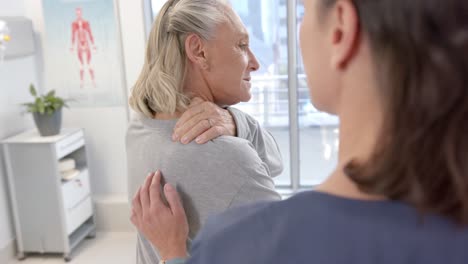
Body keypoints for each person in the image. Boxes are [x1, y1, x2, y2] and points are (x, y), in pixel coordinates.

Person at [131, 0, 468, 263]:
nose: (256, 62)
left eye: (304, 11)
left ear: (340, 30)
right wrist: (235, 122)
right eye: (241, 45)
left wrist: (172, 256)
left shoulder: (248, 241)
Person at [126, 0, 283, 263]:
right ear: (199, 51)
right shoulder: (228, 157)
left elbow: (274, 162)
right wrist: (174, 255)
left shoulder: (139, 127)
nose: (255, 63)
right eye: (242, 45)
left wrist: (235, 122)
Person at [70, 7, 97, 88]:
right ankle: (82, 82)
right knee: (81, 65)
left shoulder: (86, 22)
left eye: (79, 12)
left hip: (87, 45)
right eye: (77, 13)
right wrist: (72, 46)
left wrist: (93, 45)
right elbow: (73, 35)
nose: (78, 14)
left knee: (89, 64)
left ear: (81, 13)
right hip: (79, 46)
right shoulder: (74, 24)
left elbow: (90, 33)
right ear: (76, 13)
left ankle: (93, 81)